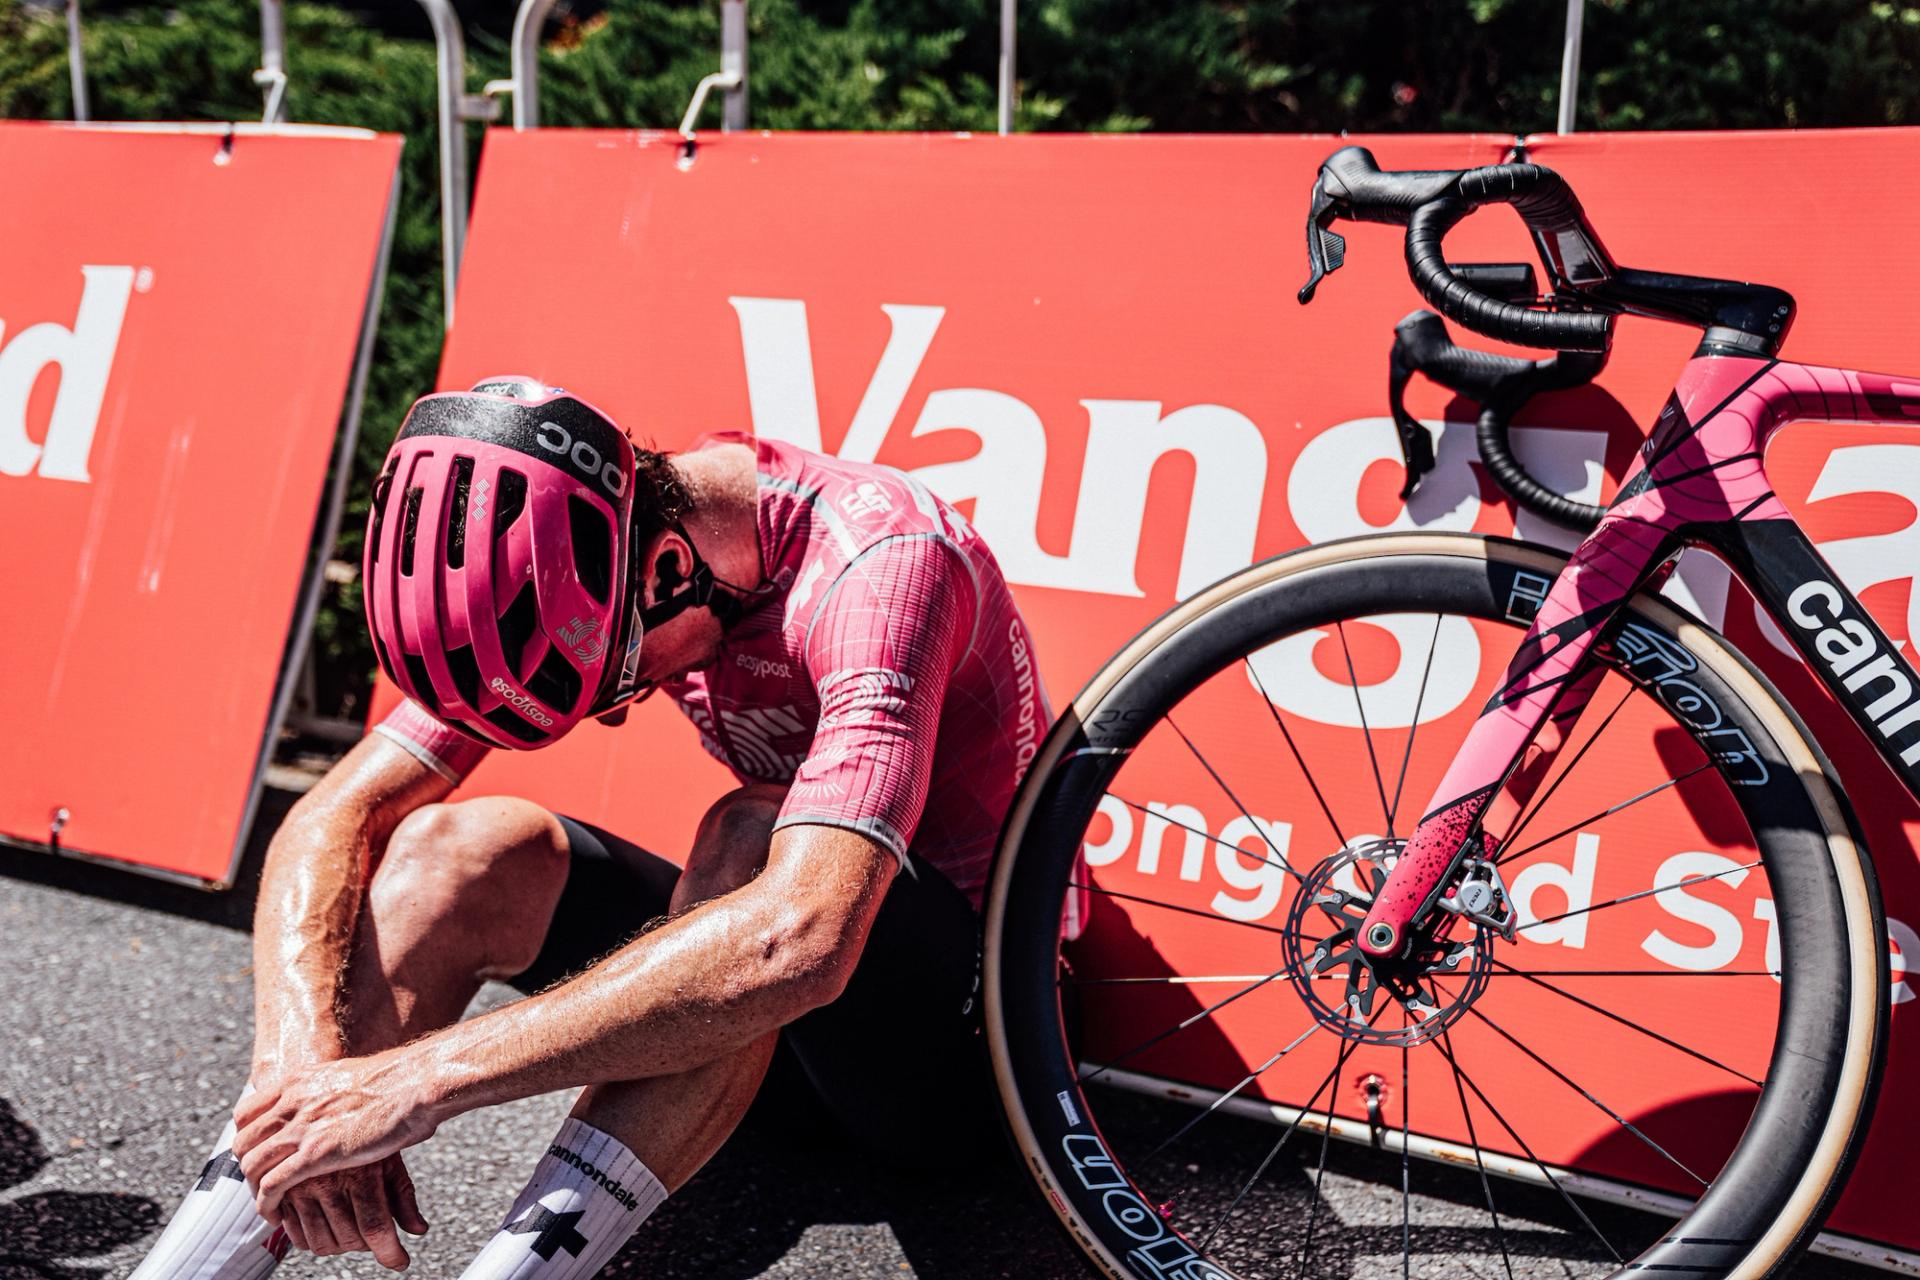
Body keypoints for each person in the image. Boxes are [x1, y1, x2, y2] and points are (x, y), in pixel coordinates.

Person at [126, 379, 1052, 1278]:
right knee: (456, 851)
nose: (618, 711)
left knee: (750, 834)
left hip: (965, 1048)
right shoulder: (589, 544)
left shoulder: (881, 565)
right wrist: (298, 1074)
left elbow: (799, 941)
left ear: (669, 571)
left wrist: (409, 1083)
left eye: (611, 682)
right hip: (749, 1056)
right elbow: (339, 809)